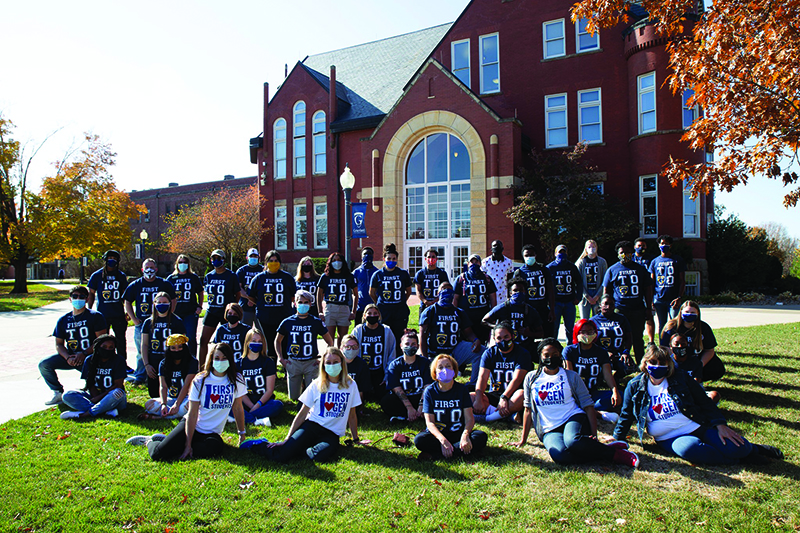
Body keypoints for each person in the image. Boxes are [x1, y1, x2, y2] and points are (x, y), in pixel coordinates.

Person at [613, 345, 783, 465]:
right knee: (691, 449)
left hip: (696, 425)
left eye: (662, 363)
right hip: (669, 437)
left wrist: (720, 424)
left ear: (668, 365)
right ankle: (739, 460)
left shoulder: (680, 377)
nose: (657, 366)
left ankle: (753, 450)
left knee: (736, 446)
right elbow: (627, 415)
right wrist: (617, 439)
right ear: (645, 364)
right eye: (653, 363)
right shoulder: (634, 386)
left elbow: (703, 401)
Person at [511, 338, 640, 467]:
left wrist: (593, 435)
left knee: (573, 442)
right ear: (540, 356)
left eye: (555, 355)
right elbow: (528, 409)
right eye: (546, 355)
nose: (551, 358)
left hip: (572, 418)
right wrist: (523, 439)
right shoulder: (531, 378)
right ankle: (603, 449)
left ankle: (616, 455)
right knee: (560, 455)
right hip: (549, 428)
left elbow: (588, 406)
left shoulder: (571, 376)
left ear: (560, 355)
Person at [242, 347, 364, 462]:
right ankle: (258, 445)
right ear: (323, 365)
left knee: (319, 456)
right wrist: (287, 439)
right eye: (328, 362)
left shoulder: (350, 385)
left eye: (335, 362)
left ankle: (297, 449)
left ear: (342, 363)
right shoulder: (317, 384)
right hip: (312, 426)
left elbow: (352, 414)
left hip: (332, 434)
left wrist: (356, 439)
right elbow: (302, 414)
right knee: (282, 456)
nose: (332, 365)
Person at [130, 343, 248, 461]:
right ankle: (149, 441)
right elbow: (192, 413)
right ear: (211, 360)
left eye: (224, 358)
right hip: (192, 426)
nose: (220, 361)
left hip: (212, 434)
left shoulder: (237, 380)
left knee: (215, 448)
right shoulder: (200, 380)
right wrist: (187, 445)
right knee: (157, 455)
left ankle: (174, 443)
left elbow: (237, 408)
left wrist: (241, 434)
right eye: (217, 358)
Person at [39, 285, 109, 405]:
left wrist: (84, 353)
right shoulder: (63, 320)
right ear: (70, 299)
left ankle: (94, 391)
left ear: (87, 299)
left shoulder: (95, 316)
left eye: (82, 296)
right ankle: (57, 392)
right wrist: (67, 357)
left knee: (100, 388)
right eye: (75, 296)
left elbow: (102, 340)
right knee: (44, 364)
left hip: (91, 356)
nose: (78, 299)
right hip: (72, 357)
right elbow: (59, 344)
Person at [415, 353, 488, 460]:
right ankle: (462, 452)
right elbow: (430, 423)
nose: (445, 370)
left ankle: (437, 455)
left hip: (458, 433)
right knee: (420, 440)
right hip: (439, 435)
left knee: (480, 436)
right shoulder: (429, 391)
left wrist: (465, 435)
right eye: (440, 367)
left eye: (448, 366)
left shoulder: (462, 389)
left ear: (454, 370)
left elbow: (469, 419)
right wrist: (443, 440)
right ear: (435, 373)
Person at [123, 258, 176, 385]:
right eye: (147, 267)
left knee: (163, 349)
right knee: (141, 350)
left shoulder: (164, 284)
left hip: (160, 323)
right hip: (142, 323)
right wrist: (134, 319)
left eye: (152, 267)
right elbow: (127, 301)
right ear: (142, 270)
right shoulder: (136, 284)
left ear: (156, 269)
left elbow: (173, 299)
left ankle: (163, 373)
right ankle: (140, 375)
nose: (149, 270)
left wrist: (169, 315)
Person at [419, 282, 483, 385]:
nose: (447, 291)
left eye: (449, 289)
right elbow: (422, 337)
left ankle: (473, 384)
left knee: (481, 351)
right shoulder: (430, 312)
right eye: (444, 288)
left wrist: (475, 340)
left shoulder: (459, 312)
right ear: (438, 293)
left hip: (454, 351)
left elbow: (468, 333)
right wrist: (425, 358)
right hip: (434, 353)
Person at [275, 290, 334, 401]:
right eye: (300, 302)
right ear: (295, 303)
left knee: (313, 397)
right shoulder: (287, 322)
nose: (303, 304)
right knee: (294, 398)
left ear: (310, 304)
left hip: (311, 362)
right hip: (294, 362)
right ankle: (300, 387)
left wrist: (323, 359)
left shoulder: (315, 322)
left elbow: (330, 342)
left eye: (306, 302)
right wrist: (280, 358)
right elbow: (277, 341)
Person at [602, 241, 653, 363]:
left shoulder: (640, 269)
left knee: (637, 337)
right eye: (622, 252)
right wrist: (607, 307)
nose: (625, 255)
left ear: (632, 253)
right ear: (618, 254)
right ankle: (621, 361)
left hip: (637, 308)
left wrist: (648, 307)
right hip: (619, 309)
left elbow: (648, 289)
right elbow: (606, 290)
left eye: (628, 252)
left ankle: (641, 362)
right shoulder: (612, 270)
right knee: (620, 337)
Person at [471, 322, 530, 422]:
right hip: (494, 394)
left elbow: (517, 379)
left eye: (506, 337)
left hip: (512, 395)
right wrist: (478, 398)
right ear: (494, 339)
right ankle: (507, 416)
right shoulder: (489, 353)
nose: (503, 341)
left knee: (522, 395)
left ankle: (490, 418)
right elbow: (482, 378)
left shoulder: (522, 353)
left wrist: (504, 397)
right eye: (499, 338)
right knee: (471, 397)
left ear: (513, 336)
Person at [562, 319, 621, 420]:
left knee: (620, 396)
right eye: (583, 332)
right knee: (566, 403)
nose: (587, 335)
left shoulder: (601, 352)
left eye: (590, 332)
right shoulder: (570, 351)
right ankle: (599, 414)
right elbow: (569, 376)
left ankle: (584, 410)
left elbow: (607, 375)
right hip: (575, 394)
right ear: (577, 333)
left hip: (593, 393)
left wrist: (615, 391)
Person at [60, 334, 127, 419]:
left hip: (112, 397)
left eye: (111, 347)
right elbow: (89, 383)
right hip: (94, 395)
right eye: (104, 346)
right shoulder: (89, 360)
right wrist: (95, 398)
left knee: (118, 392)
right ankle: (105, 411)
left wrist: (98, 399)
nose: (107, 349)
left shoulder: (119, 360)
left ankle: (85, 414)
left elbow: (118, 385)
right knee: (67, 394)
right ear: (98, 346)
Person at [248, 250, 297, 360]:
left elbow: (293, 296)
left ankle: (286, 367)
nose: (273, 263)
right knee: (269, 344)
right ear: (266, 262)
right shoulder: (258, 278)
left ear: (280, 262)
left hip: (284, 316)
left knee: (285, 343)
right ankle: (271, 371)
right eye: (271, 261)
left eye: (276, 261)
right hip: (265, 317)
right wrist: (261, 303)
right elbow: (251, 296)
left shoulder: (287, 277)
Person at [660, 300, 725, 382]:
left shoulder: (704, 327)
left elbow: (709, 350)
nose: (689, 314)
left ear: (698, 314)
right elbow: (664, 348)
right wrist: (675, 363)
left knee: (717, 368)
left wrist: (699, 365)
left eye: (693, 312)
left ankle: (697, 381)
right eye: (687, 311)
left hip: (696, 358)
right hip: (677, 359)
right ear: (681, 312)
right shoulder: (671, 326)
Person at [86, 250, 129, 370]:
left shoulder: (120, 276)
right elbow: (91, 293)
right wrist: (89, 309)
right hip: (102, 314)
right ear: (105, 259)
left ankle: (122, 364)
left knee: (120, 340)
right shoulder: (96, 275)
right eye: (109, 257)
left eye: (114, 258)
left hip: (118, 313)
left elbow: (125, 295)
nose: (112, 260)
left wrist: (127, 311)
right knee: (102, 341)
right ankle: (103, 362)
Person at [482, 277, 544, 358]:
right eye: (515, 290)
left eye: (521, 290)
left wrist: (529, 333)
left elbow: (541, 333)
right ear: (510, 293)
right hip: (505, 346)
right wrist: (498, 327)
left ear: (525, 291)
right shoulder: (503, 307)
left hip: (524, 347)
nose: (518, 293)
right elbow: (484, 321)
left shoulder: (530, 311)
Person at [141, 291, 187, 399]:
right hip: (154, 359)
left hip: (172, 358)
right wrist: (146, 364)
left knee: (173, 391)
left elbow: (183, 344)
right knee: (154, 395)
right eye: (159, 302)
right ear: (154, 303)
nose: (162, 304)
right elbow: (144, 344)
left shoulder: (177, 321)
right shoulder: (148, 322)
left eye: (165, 302)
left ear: (170, 303)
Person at [199, 249, 241, 366]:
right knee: (203, 340)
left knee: (226, 342)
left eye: (219, 258)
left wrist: (231, 308)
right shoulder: (209, 276)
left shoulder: (231, 275)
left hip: (225, 312)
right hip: (212, 311)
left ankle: (227, 365)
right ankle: (201, 367)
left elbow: (237, 294)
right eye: (214, 258)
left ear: (224, 259)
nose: (216, 261)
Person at [141, 334, 198, 420]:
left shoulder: (192, 362)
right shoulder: (163, 363)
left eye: (179, 347)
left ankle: (160, 417)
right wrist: (163, 404)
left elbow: (186, 385)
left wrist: (177, 405)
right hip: (171, 397)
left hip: (186, 398)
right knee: (149, 404)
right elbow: (163, 386)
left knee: (191, 405)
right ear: (169, 349)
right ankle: (172, 414)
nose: (177, 350)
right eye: (173, 348)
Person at [369, 243, 413, 351]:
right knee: (385, 337)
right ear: (384, 259)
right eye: (389, 258)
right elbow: (372, 292)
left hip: (400, 311)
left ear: (397, 259)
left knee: (399, 337)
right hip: (384, 311)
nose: (391, 261)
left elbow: (408, 291)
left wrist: (401, 301)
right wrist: (380, 303)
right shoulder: (378, 274)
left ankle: (398, 359)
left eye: (394, 259)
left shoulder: (403, 273)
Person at [381, 330, 433, 420]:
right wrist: (409, 407)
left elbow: (428, 386)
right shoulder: (395, 365)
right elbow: (396, 388)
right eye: (407, 344)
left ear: (418, 346)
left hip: (420, 397)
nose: (410, 346)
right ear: (401, 346)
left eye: (413, 344)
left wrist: (421, 405)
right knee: (387, 401)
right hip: (404, 399)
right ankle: (410, 415)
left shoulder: (425, 362)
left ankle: (413, 415)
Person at [238, 328, 284, 425]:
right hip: (246, 401)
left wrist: (257, 405)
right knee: (231, 405)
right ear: (247, 342)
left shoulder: (268, 362)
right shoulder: (239, 363)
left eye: (259, 341)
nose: (257, 343)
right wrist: (251, 406)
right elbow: (239, 391)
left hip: (263, 401)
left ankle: (245, 417)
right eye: (253, 341)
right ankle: (256, 419)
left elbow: (269, 390)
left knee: (277, 405)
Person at [351, 304, 397, 397]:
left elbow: (392, 353)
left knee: (382, 396)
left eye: (375, 313)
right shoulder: (358, 330)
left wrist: (388, 374)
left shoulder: (386, 330)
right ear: (364, 315)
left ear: (379, 315)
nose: (372, 316)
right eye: (369, 313)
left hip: (379, 371)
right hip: (363, 371)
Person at [515, 244, 556, 341]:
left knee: (548, 335)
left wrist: (552, 309)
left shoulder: (544, 269)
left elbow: (550, 290)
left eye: (531, 255)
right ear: (523, 257)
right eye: (526, 255)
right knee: (528, 337)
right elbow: (516, 292)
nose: (529, 257)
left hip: (542, 307)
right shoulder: (519, 272)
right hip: (527, 309)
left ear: (536, 255)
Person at [454, 254, 497, 344]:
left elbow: (493, 298)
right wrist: (455, 314)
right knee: (466, 341)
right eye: (471, 262)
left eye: (476, 261)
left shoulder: (487, 278)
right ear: (468, 264)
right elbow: (455, 298)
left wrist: (493, 314)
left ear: (480, 264)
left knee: (482, 342)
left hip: (482, 315)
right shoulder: (461, 278)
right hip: (466, 316)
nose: (474, 264)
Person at [317, 252, 358, 347]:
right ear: (330, 262)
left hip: (344, 308)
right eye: (334, 260)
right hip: (330, 307)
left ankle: (341, 359)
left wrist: (353, 311)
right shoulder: (325, 276)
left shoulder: (349, 276)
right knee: (329, 339)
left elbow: (355, 294)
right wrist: (320, 311)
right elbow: (319, 294)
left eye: (339, 260)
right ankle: (330, 359)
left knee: (343, 340)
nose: (337, 262)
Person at [649, 235, 686, 335]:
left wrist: (679, 297)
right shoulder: (654, 262)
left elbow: (682, 280)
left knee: (675, 323)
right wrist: (651, 298)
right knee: (662, 324)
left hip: (673, 299)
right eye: (662, 243)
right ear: (658, 245)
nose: (664, 245)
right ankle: (663, 347)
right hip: (659, 299)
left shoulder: (677, 260)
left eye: (666, 243)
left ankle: (675, 346)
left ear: (671, 245)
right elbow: (652, 282)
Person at [166, 255, 204, 357]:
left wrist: (199, 306)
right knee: (176, 339)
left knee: (191, 337)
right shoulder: (171, 278)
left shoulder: (193, 277)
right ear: (177, 264)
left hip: (190, 312)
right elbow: (166, 295)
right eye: (180, 262)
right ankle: (178, 359)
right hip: (176, 312)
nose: (182, 264)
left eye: (185, 262)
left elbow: (200, 292)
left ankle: (192, 359)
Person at [590, 294, 634, 378]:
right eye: (605, 304)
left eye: (611, 304)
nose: (608, 306)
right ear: (600, 304)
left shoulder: (621, 319)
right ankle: (602, 378)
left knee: (629, 367)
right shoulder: (593, 321)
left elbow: (629, 337)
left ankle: (615, 379)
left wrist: (626, 352)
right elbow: (590, 342)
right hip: (600, 355)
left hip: (618, 354)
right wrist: (604, 353)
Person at [575, 240, 608, 320]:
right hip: (585, 295)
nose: (591, 249)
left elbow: (605, 280)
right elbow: (577, 281)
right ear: (586, 248)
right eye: (589, 247)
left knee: (597, 319)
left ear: (597, 248)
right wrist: (587, 296)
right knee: (584, 320)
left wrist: (597, 296)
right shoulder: (581, 262)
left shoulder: (602, 262)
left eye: (593, 247)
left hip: (598, 293)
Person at [414, 248, 450, 312]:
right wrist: (425, 301)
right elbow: (418, 290)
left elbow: (445, 289)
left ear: (436, 259)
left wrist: (435, 301)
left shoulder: (442, 273)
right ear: (425, 259)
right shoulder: (420, 273)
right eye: (429, 257)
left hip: (439, 304)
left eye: (433, 257)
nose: (431, 259)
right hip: (424, 305)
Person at [340, 334, 372, 402]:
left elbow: (362, 389)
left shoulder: (362, 364)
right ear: (341, 348)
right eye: (348, 347)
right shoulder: (335, 362)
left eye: (354, 347)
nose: (351, 349)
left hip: (354, 397)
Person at [236, 248, 263, 327]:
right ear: (247, 257)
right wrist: (249, 298)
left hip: (260, 306)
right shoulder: (241, 271)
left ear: (259, 257)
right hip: (245, 306)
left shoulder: (263, 270)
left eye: (255, 256)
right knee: (245, 332)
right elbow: (239, 289)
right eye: (251, 256)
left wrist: (255, 300)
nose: (253, 258)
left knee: (262, 332)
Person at [482, 240, 514, 305]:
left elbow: (510, 280)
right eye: (494, 246)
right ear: (491, 249)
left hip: (503, 296)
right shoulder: (485, 262)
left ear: (502, 248)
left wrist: (509, 295)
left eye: (498, 246)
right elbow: (483, 278)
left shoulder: (508, 262)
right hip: (489, 296)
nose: (496, 247)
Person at [352, 247, 378, 325]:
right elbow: (352, 291)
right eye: (365, 254)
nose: (367, 255)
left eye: (369, 254)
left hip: (373, 307)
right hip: (360, 307)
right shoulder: (356, 272)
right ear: (361, 256)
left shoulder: (377, 272)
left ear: (373, 256)